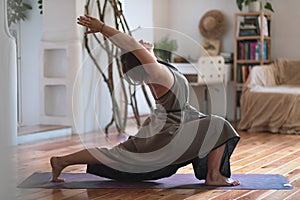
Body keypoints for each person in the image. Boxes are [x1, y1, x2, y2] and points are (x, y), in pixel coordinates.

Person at [50, 14, 240, 186]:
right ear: (141, 58)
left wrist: (144, 50)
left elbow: (133, 48)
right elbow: (130, 44)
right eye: (140, 48)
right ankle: (214, 176)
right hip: (170, 130)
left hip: (168, 124)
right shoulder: (155, 73)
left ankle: (61, 161)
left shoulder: (156, 68)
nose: (141, 42)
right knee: (218, 125)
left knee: (115, 154)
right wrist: (102, 28)